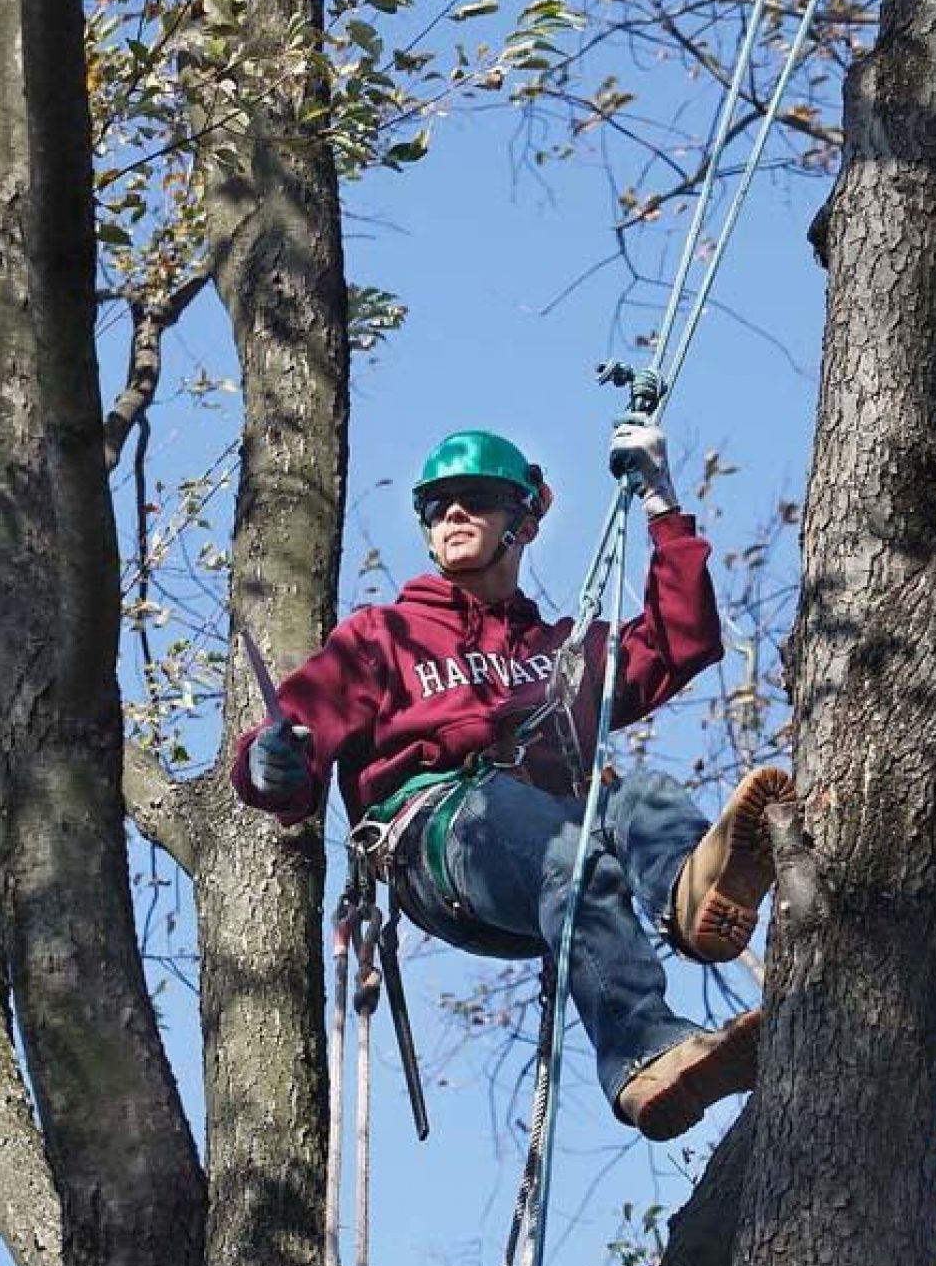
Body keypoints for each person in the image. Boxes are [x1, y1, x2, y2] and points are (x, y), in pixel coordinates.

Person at [232, 422, 794, 1140]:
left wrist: (662, 502)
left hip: (548, 853)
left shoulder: (556, 653)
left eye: (475, 499)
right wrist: (269, 762)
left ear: (525, 520)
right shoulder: (384, 636)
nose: (453, 516)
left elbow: (679, 641)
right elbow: (300, 732)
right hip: (441, 839)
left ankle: (692, 890)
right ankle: (645, 1051)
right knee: (558, 842)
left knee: (638, 795)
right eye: (438, 507)